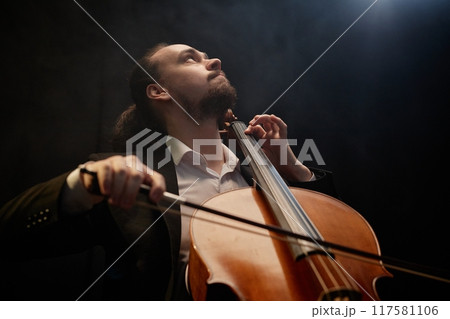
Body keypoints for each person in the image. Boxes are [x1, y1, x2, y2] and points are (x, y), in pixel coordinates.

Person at [0, 43, 337, 300]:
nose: (214, 60)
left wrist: (293, 170)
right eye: (190, 58)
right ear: (158, 90)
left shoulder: (262, 174)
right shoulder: (126, 177)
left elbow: (339, 247)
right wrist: (83, 183)